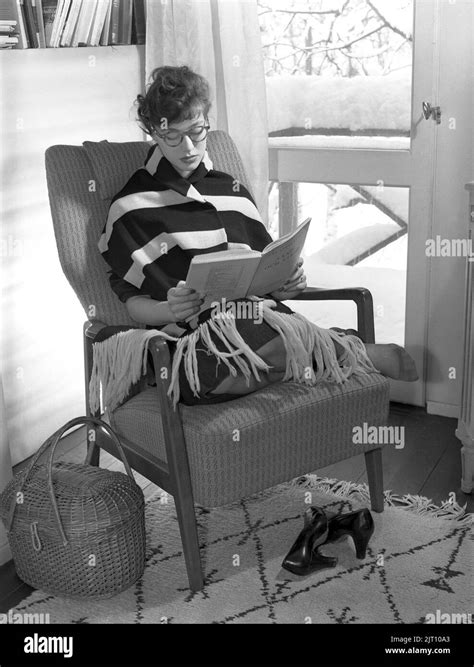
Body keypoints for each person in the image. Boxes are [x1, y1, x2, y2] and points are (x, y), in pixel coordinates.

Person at [96, 65, 417, 410]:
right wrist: (167, 307)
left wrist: (287, 281)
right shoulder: (131, 206)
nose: (188, 147)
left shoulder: (230, 191)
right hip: (188, 339)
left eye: (197, 131)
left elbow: (264, 272)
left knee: (247, 333)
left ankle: (304, 356)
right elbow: (130, 301)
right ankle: (343, 351)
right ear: (154, 134)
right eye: (173, 136)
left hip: (257, 320)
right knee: (197, 373)